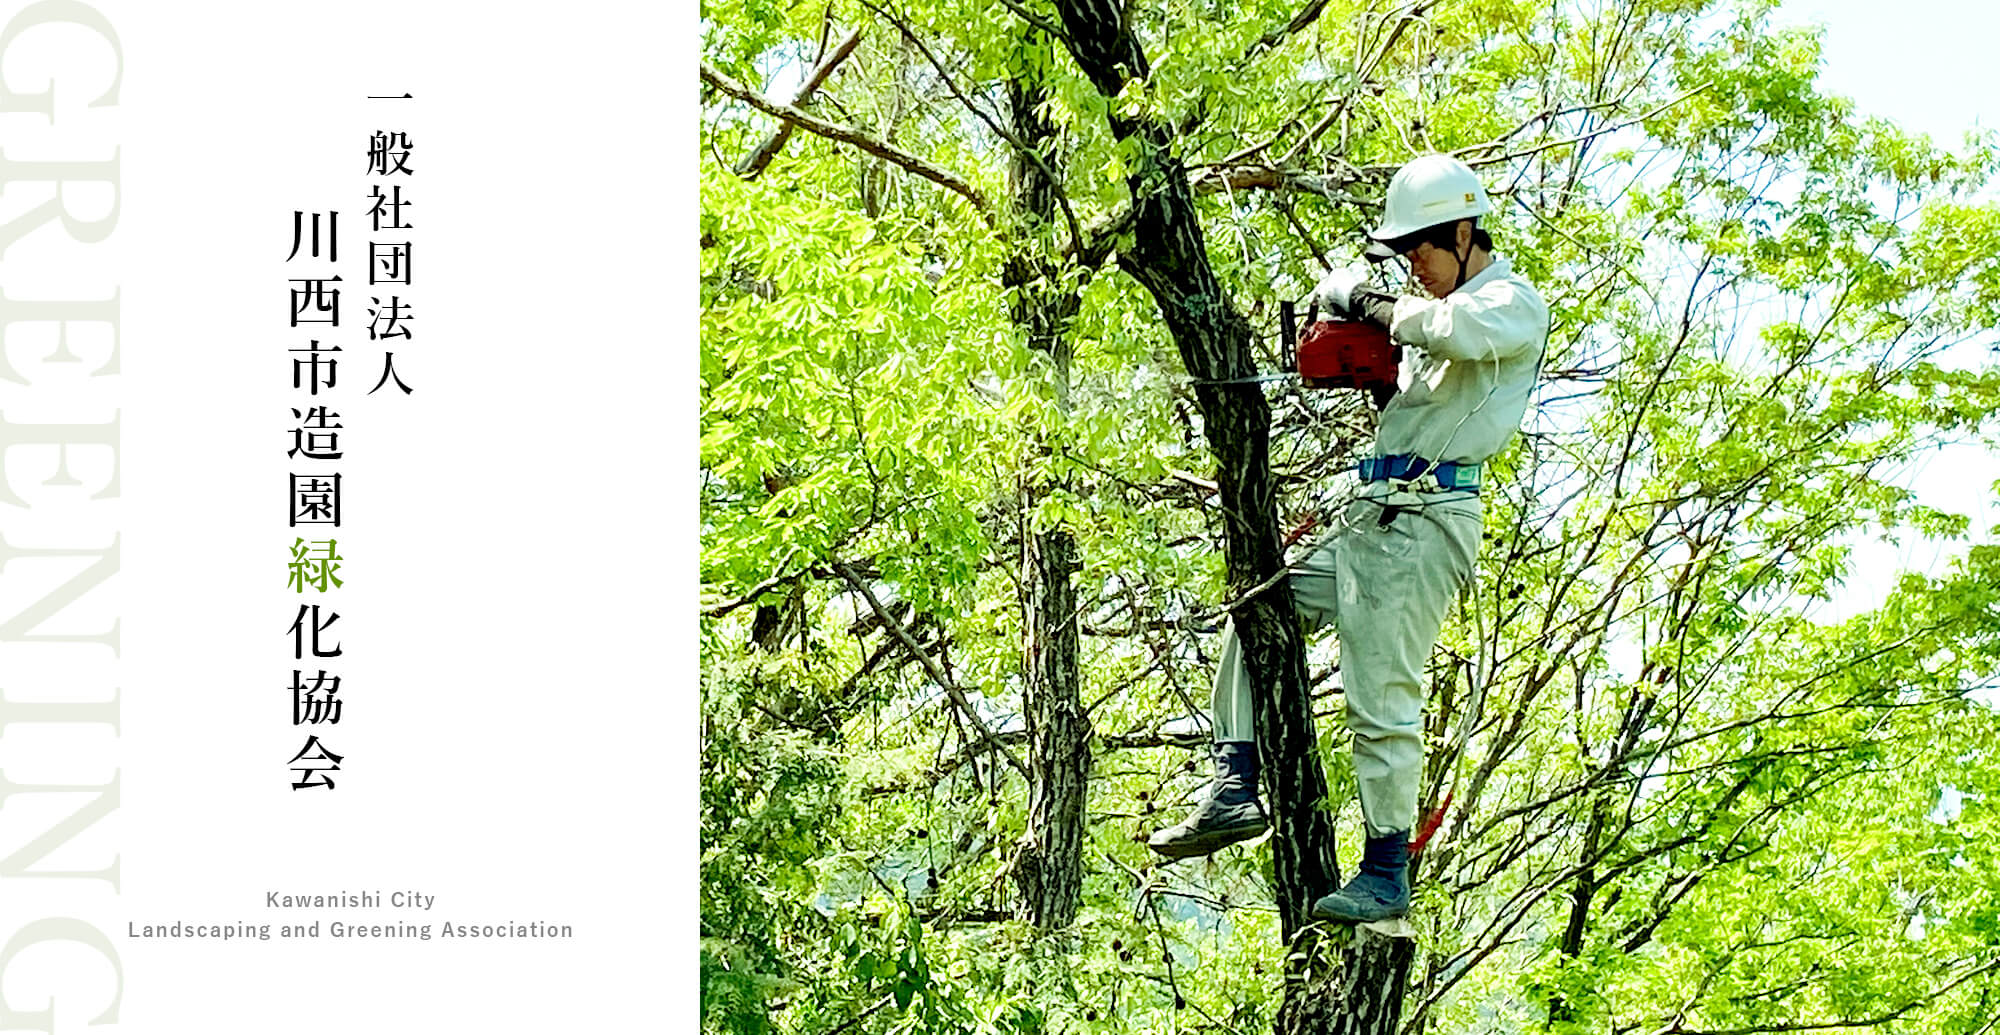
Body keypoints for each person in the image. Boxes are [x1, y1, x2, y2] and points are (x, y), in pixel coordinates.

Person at [1147, 153, 1549, 924]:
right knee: (1258, 605)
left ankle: (1386, 868)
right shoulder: (1440, 312)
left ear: (1463, 232)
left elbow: (1452, 331)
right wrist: (1378, 377)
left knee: (1380, 695)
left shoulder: (1508, 303)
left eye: (1419, 248)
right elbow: (1426, 389)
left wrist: (1365, 299)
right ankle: (1234, 783)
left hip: (1425, 521)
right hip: (1375, 512)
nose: (1413, 265)